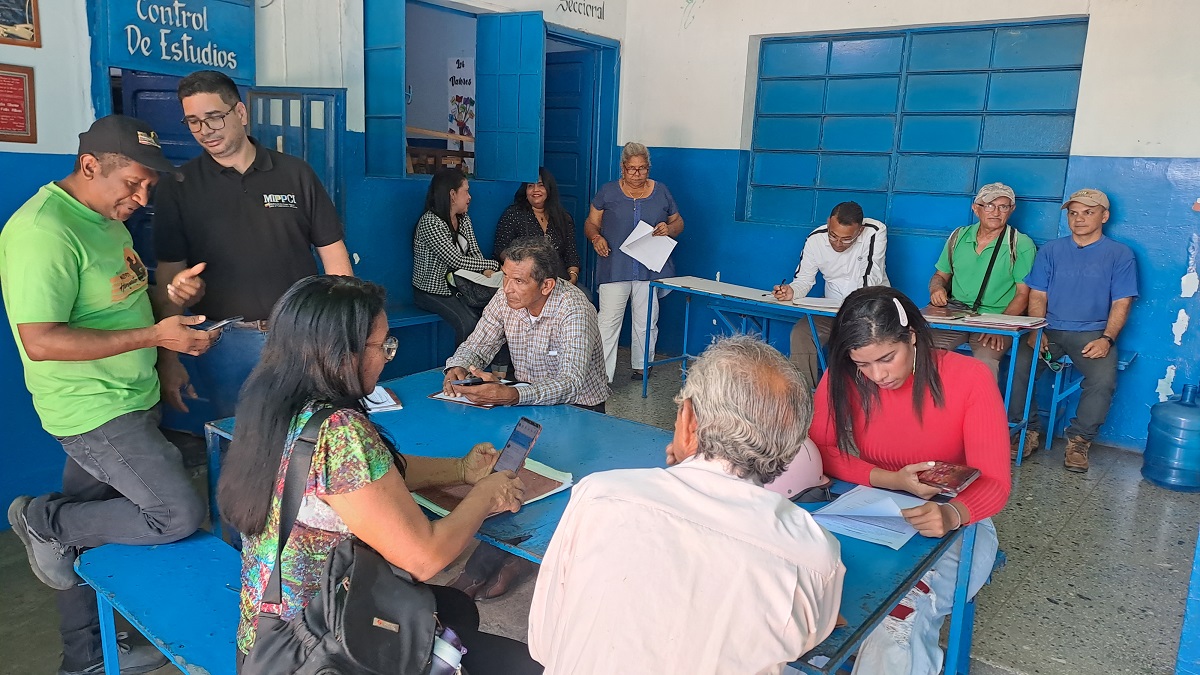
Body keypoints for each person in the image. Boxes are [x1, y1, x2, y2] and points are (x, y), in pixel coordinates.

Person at [216, 275, 541, 674]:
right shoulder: (338, 432)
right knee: (528, 665)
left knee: (455, 607)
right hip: (319, 652)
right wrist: (486, 495)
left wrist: (461, 469)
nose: (389, 357)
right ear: (340, 353)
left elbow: (368, 479)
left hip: (265, 639)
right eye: (383, 345)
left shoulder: (274, 407)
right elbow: (423, 558)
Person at [1, 115, 216, 675]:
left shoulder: (108, 220)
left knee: (88, 535)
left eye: (149, 186)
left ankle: (86, 658)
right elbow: (42, 341)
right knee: (175, 513)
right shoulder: (43, 232)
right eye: (133, 184)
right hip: (95, 410)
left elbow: (123, 301)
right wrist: (156, 337)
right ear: (90, 166)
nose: (141, 199)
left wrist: (169, 301)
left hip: (131, 395)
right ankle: (44, 520)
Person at [527, 335, 843, 674]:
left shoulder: (599, 496)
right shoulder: (814, 554)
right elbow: (801, 638)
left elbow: (546, 643)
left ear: (690, 420)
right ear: (791, 450)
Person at [808, 286, 1011, 675]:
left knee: (900, 615)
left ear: (912, 337)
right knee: (808, 589)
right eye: (863, 364)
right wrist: (891, 479)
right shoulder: (845, 375)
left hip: (955, 520)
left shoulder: (969, 378)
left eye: (887, 358)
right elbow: (821, 450)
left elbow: (995, 482)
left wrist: (952, 514)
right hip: (870, 507)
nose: (877, 375)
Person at [153, 69, 353, 433]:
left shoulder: (295, 174)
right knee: (239, 438)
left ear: (241, 113)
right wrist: (168, 358)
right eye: (193, 121)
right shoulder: (178, 187)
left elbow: (333, 255)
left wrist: (343, 331)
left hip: (300, 334)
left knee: (309, 434)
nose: (205, 130)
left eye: (214, 117)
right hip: (224, 341)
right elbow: (171, 275)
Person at [441, 236, 608, 600]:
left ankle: (499, 565)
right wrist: (458, 366)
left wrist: (511, 393)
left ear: (546, 285)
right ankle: (502, 561)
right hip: (529, 405)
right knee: (514, 476)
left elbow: (571, 381)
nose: (507, 288)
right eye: (505, 276)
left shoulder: (573, 309)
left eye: (518, 281)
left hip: (581, 411)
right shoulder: (507, 297)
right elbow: (479, 342)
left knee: (546, 487)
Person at [1022, 188, 1137, 471]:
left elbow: (1122, 302)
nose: (1079, 219)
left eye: (1088, 212)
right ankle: (1026, 431)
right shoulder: (1051, 250)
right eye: (1073, 213)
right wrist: (1036, 331)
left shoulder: (1119, 254)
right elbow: (1037, 295)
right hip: (1049, 329)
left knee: (1102, 380)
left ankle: (1079, 442)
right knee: (1019, 367)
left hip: (1092, 334)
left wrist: (1107, 339)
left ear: (1104, 216)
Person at [927, 182, 1038, 444]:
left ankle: (980, 427)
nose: (996, 212)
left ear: (1012, 210)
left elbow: (1023, 294)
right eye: (989, 205)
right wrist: (936, 289)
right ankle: (931, 418)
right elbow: (940, 275)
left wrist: (1000, 326)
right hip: (955, 313)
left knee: (985, 363)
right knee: (925, 353)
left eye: (1003, 206)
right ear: (976, 208)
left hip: (996, 318)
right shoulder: (958, 236)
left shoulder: (1020, 243)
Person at [584, 142, 685, 381]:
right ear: (623, 168)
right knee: (608, 321)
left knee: (646, 320)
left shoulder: (661, 191)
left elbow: (678, 222)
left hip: (649, 267)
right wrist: (596, 238)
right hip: (614, 266)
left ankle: (642, 366)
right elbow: (591, 223)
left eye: (642, 168)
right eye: (632, 169)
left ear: (648, 167)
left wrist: (669, 229)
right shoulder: (608, 191)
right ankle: (601, 375)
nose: (637, 174)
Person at [772, 201, 889, 387]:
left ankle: (861, 397)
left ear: (859, 231)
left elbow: (869, 278)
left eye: (846, 239)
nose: (838, 243)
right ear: (828, 223)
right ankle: (804, 393)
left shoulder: (875, 231)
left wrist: (852, 312)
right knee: (802, 333)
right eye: (833, 236)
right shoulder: (815, 239)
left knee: (859, 342)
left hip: (869, 310)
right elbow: (804, 280)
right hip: (831, 308)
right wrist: (791, 291)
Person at [412, 167, 502, 348]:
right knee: (467, 323)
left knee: (492, 317)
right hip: (433, 291)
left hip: (462, 286)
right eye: (466, 191)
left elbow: (474, 251)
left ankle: (492, 364)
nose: (470, 197)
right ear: (452, 195)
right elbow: (455, 260)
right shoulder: (430, 222)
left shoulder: (463, 219)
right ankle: (461, 365)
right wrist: (495, 265)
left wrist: (485, 270)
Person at [493, 168, 581, 286]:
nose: (535, 190)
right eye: (530, 186)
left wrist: (573, 277)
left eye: (541, 185)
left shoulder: (563, 218)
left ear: (549, 189)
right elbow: (501, 250)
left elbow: (571, 254)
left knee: (584, 295)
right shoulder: (513, 214)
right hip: (525, 279)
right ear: (525, 191)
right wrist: (523, 264)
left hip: (559, 279)